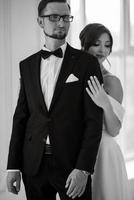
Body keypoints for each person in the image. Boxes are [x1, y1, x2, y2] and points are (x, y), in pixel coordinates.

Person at [6, 1, 103, 200]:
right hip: (34, 164)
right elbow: (21, 117)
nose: (61, 23)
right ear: (40, 21)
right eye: (54, 17)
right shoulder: (26, 66)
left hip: (72, 164)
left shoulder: (87, 63)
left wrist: (83, 169)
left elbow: (94, 121)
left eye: (66, 17)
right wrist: (12, 166)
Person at [79, 23, 131, 200]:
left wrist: (105, 103)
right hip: (77, 152)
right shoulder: (72, 77)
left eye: (107, 45)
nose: (102, 50)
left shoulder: (112, 82)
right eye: (96, 43)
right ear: (84, 45)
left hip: (104, 155)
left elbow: (114, 130)